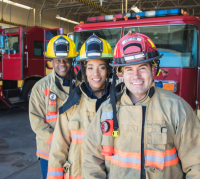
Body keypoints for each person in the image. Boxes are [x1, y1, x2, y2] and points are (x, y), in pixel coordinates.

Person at [82, 31, 200, 179]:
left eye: (142, 68)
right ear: (120, 74)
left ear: (153, 69)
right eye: (129, 69)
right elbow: (91, 160)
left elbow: (196, 165)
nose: (136, 76)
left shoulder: (176, 108)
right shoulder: (106, 110)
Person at [46, 34, 113, 179]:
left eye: (101, 67)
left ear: (108, 70)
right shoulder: (71, 105)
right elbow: (58, 150)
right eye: (90, 68)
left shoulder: (119, 104)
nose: (95, 73)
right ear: (84, 71)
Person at [29, 35, 79, 179]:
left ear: (72, 60)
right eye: (58, 60)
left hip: (75, 150)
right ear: (51, 61)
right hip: (49, 151)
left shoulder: (81, 85)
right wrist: (57, 142)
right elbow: (36, 121)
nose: (62, 64)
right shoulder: (40, 87)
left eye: (66, 60)